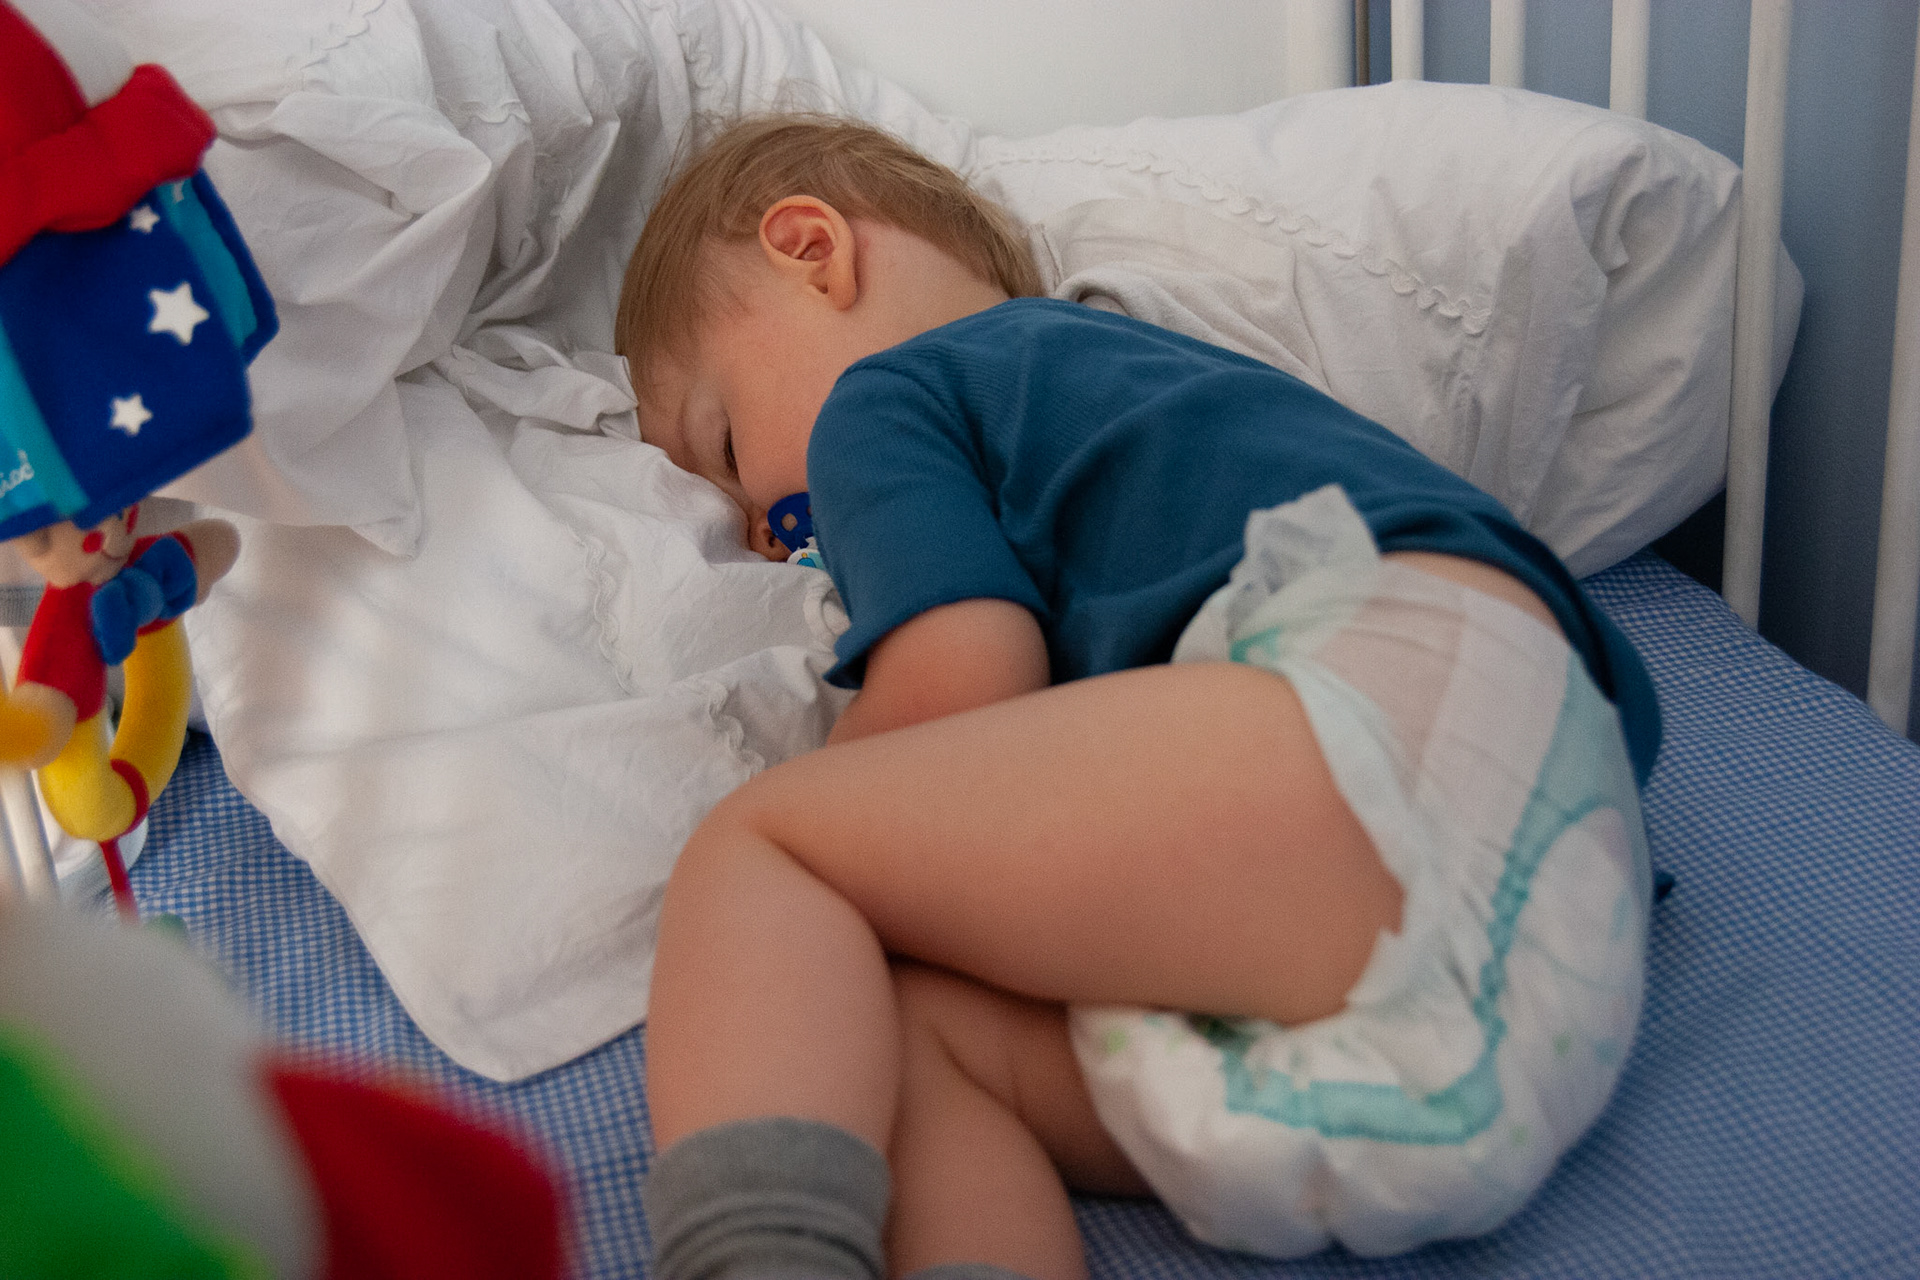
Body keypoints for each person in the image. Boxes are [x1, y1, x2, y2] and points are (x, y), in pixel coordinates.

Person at [617, 115, 1659, 1280]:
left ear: (812, 250)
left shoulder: (892, 393)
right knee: (900, 1032)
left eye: (724, 447)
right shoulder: (1149, 395)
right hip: (1559, 942)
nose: (761, 533)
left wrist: (832, 833)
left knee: (765, 850)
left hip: (1391, 703)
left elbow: (958, 679)